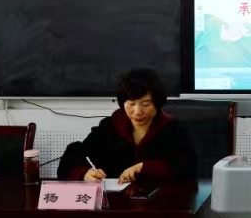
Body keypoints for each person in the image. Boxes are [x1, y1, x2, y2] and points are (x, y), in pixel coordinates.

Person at [58, 68, 197, 184]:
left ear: (157, 104)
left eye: (146, 104)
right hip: (116, 202)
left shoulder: (173, 130)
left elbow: (187, 168)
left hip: (161, 202)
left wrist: (146, 168)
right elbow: (74, 155)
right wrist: (84, 173)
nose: (138, 111)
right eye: (131, 104)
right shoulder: (110, 127)